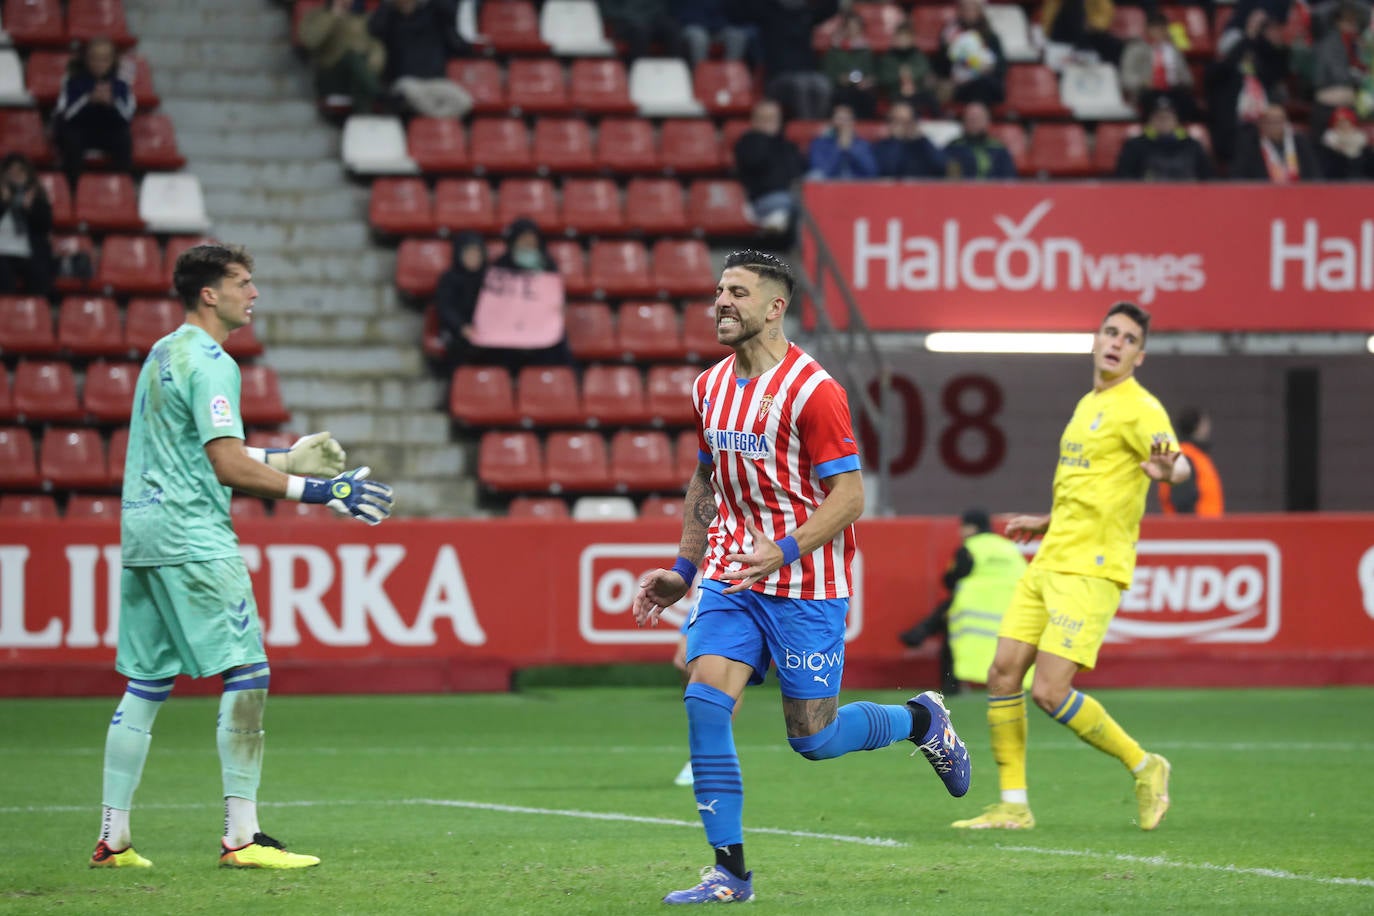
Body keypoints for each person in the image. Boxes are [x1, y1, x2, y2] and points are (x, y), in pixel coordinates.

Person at [633, 249, 970, 904]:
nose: (721, 303)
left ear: (775, 307)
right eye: (719, 291)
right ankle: (729, 873)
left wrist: (785, 548)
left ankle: (922, 721)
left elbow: (848, 496)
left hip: (806, 584)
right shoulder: (708, 388)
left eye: (737, 292)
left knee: (812, 739)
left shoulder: (815, 392)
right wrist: (683, 567)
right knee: (704, 702)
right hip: (733, 573)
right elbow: (706, 477)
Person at [91, 244, 395, 870]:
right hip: (194, 537)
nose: (253, 293)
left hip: (144, 533)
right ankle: (243, 838)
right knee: (248, 673)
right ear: (211, 293)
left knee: (147, 683)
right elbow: (225, 466)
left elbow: (195, 449)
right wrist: (323, 490)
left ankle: (112, 840)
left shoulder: (162, 352)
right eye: (243, 283)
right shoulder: (212, 361)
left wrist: (284, 458)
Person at [951, 301, 1190, 833]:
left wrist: (1170, 468)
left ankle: (1145, 766)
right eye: (1110, 332)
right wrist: (1046, 521)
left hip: (1093, 568)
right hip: (1052, 555)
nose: (1116, 343)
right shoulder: (1088, 404)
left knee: (1049, 691)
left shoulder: (1140, 408)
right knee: (1002, 672)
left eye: (1128, 339)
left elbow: (1177, 462)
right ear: (1095, 340)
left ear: (1139, 355)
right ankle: (1014, 805)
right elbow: (1091, 485)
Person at [899, 508, 1029, 697]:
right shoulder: (1008, 548)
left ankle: (950, 684)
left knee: (952, 640)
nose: (960, 532)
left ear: (972, 528)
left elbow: (952, 579)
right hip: (1011, 608)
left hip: (976, 608)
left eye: (963, 527)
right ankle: (920, 632)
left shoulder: (971, 548)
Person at [368, 0, 472, 119]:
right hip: (406, 83)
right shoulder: (391, 21)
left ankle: (423, 117)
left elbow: (450, 10)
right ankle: (427, 116)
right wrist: (387, 4)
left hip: (434, 82)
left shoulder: (433, 16)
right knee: (405, 94)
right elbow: (374, 28)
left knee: (464, 102)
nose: (406, 3)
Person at [53, 36, 134, 189]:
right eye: (94, 58)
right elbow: (65, 114)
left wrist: (112, 102)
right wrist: (88, 100)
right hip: (80, 130)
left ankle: (120, 189)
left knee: (124, 139)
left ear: (112, 61)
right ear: (86, 59)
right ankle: (73, 192)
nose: (99, 63)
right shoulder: (73, 81)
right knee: (70, 141)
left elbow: (127, 116)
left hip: (107, 131)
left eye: (104, 59)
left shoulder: (121, 84)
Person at [732, 99, 807, 233]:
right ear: (754, 120)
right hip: (762, 200)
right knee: (789, 203)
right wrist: (764, 137)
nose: (769, 122)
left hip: (791, 197)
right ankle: (775, 222)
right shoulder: (748, 142)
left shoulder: (788, 146)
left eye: (773, 118)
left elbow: (799, 172)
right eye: (764, 118)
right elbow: (755, 162)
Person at [299, 0, 387, 113]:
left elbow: (374, 44)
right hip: (331, 76)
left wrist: (376, 56)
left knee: (360, 67)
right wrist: (332, 16)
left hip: (356, 77)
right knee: (351, 57)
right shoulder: (317, 15)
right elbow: (310, 41)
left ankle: (363, 118)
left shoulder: (360, 18)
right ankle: (379, 94)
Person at [1119, 11, 1198, 121]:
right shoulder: (1135, 49)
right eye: (1155, 28)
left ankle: (1181, 135)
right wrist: (1142, 82)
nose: (1159, 32)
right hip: (1147, 92)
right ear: (1147, 29)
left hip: (1172, 91)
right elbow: (1126, 78)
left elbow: (1188, 79)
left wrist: (1180, 81)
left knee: (1189, 104)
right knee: (1150, 102)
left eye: (1162, 29)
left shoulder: (1174, 50)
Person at [1114, 95, 1214, 180]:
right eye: (1159, 117)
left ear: (1176, 121)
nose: (1163, 122)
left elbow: (1208, 179)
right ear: (1150, 120)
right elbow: (1124, 179)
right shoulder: (1135, 145)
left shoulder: (1192, 146)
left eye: (1168, 117)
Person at [0, 153, 55, 296]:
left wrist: (30, 208)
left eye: (20, 170)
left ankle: (36, 312)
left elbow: (45, 226)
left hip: (30, 252)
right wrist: (3, 203)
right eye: (11, 171)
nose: (16, 175)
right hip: (2, 252)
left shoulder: (36, 196)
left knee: (39, 272)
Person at [433, 229, 488, 371]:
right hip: (458, 331)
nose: (473, 257)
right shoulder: (449, 278)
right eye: (469, 253)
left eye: (477, 253)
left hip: (486, 331)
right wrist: (461, 327)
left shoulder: (490, 278)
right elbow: (445, 308)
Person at [936, 0, 1007, 107]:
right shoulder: (950, 34)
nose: (968, 13)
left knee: (985, 85)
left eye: (972, 9)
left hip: (985, 86)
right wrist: (947, 47)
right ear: (959, 11)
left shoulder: (991, 37)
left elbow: (1001, 66)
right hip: (960, 87)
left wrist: (989, 68)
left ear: (980, 11)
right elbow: (942, 68)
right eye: (965, 9)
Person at [1158, 406, 1224, 516]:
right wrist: (1191, 531)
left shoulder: (1191, 455)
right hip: (1196, 530)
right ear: (1198, 427)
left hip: (1202, 529)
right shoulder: (1185, 456)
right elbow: (1182, 500)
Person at [1229, 103, 1323, 180]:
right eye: (1270, 122)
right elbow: (1239, 177)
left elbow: (1314, 174)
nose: (1275, 126)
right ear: (1260, 124)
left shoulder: (1300, 143)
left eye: (1279, 122)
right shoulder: (1249, 145)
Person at [823, 12, 880, 119]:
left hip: (862, 91)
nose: (853, 31)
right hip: (840, 90)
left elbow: (873, 74)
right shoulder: (834, 51)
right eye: (850, 27)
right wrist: (840, 79)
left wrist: (868, 81)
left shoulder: (866, 51)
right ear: (844, 29)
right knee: (844, 95)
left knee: (867, 97)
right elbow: (827, 74)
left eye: (856, 28)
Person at [877, 22, 938, 118]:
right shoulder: (888, 58)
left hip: (917, 91)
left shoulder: (919, 55)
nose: (903, 40)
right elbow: (884, 78)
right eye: (900, 37)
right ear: (894, 39)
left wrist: (909, 75)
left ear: (912, 39)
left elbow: (924, 71)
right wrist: (900, 77)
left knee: (931, 98)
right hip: (895, 93)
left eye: (906, 37)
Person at [944, 101, 1018, 178]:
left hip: (993, 189)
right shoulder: (953, 147)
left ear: (987, 121)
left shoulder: (998, 148)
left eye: (977, 118)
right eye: (970, 118)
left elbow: (1009, 179)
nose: (973, 122)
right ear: (963, 121)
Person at [873, 100, 945, 178]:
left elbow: (942, 166)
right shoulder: (882, 146)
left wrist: (922, 139)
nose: (902, 126)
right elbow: (889, 170)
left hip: (925, 187)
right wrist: (896, 139)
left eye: (907, 121)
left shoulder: (922, 144)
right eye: (896, 121)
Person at [807, 103, 878, 179]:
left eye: (847, 119)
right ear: (832, 121)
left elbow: (872, 171)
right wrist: (839, 148)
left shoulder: (862, 144)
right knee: (814, 175)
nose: (843, 123)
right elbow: (821, 172)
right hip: (830, 184)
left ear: (853, 122)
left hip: (857, 184)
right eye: (839, 119)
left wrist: (851, 149)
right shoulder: (819, 144)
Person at [1317, 106, 1374, 178]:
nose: (1343, 124)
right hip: (1338, 168)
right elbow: (1331, 146)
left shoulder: (1359, 134)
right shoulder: (1330, 134)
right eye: (1340, 122)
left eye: (1346, 121)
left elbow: (1360, 147)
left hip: (1359, 166)